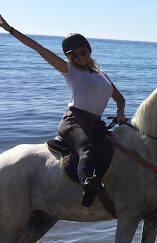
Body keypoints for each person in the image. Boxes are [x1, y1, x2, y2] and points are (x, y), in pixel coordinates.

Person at [0, 13, 126, 207]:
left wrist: (120, 113)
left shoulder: (102, 75)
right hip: (74, 121)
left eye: (83, 52)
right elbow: (40, 49)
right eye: (74, 55)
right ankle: (88, 184)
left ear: (89, 51)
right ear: (69, 57)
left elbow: (119, 98)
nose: (79, 57)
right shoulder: (70, 70)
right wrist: (10, 30)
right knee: (86, 148)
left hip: (95, 123)